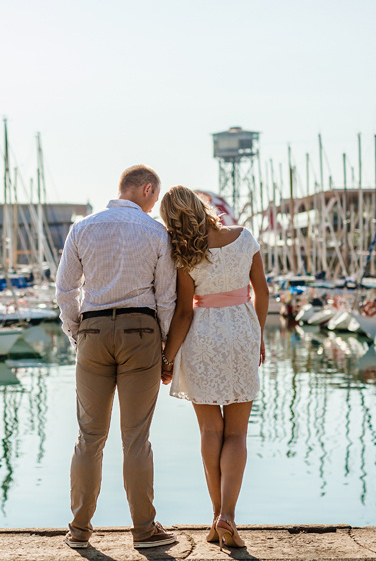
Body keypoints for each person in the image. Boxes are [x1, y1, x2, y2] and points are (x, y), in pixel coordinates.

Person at [56, 165, 178, 550]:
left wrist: (78, 333)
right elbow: (167, 299)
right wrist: (165, 350)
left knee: (89, 437)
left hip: (92, 330)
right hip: (141, 331)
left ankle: (78, 531)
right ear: (146, 189)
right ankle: (144, 530)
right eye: (154, 197)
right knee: (136, 438)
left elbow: (65, 290)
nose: (154, 204)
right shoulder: (156, 231)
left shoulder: (83, 228)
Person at [158, 185, 267, 550]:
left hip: (203, 335)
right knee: (237, 434)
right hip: (241, 332)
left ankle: (216, 514)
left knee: (209, 431)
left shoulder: (184, 253)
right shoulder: (243, 236)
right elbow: (261, 293)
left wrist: (168, 359)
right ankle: (228, 517)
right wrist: (260, 335)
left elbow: (186, 311)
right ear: (201, 206)